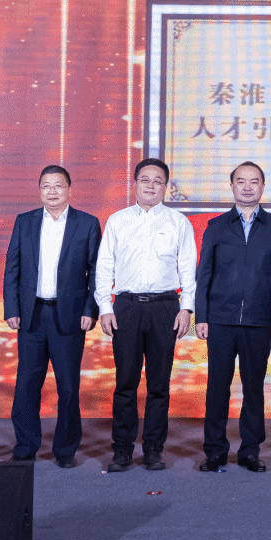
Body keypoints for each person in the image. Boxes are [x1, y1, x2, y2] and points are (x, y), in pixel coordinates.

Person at [95, 157, 197, 472]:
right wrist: (105, 307)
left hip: (165, 307)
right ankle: (122, 450)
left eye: (157, 181)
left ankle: (153, 449)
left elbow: (188, 268)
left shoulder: (178, 222)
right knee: (125, 382)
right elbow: (104, 266)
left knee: (159, 384)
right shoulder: (117, 221)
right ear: (135, 184)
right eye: (145, 180)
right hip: (126, 307)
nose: (151, 185)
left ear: (166, 187)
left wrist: (186, 308)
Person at [194, 162, 271, 472]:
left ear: (262, 186)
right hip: (220, 320)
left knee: (253, 388)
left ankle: (250, 451)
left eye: (254, 181)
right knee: (217, 387)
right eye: (241, 181)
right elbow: (204, 274)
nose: (248, 187)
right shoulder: (216, 226)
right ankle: (215, 450)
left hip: (258, 321)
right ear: (232, 186)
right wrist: (201, 316)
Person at [3, 165, 102, 468]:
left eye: (58, 185)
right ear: (39, 190)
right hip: (31, 315)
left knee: (68, 387)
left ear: (69, 189)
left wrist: (90, 310)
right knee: (26, 384)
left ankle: (66, 449)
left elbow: (97, 272)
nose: (52, 191)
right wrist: (12, 309)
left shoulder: (87, 223)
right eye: (46, 186)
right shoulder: (25, 221)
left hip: (70, 316)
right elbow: (12, 268)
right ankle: (25, 446)